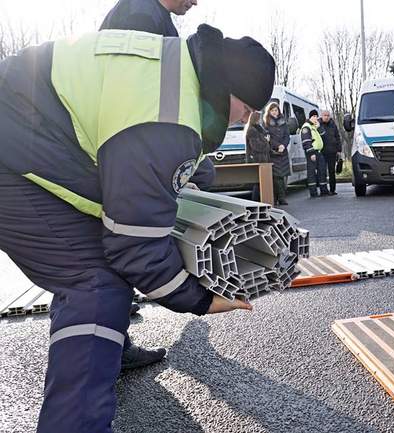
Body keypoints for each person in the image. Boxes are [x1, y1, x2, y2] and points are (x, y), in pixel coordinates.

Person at [0, 25, 275, 433]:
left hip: (24, 137)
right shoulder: (169, 116)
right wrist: (201, 300)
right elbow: (135, 248)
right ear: (232, 93)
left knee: (93, 272)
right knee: (95, 282)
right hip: (11, 154)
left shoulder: (173, 68)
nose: (245, 120)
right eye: (247, 110)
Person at [100, 0, 213, 370]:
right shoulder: (140, 17)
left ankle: (111, 344)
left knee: (109, 254)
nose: (196, 1)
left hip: (121, 151)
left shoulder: (150, 15)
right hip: (125, 153)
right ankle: (106, 351)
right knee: (117, 250)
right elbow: (143, 103)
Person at [264, 102, 290, 205]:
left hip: (283, 152)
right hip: (273, 153)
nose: (275, 112)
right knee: (276, 176)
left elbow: (287, 136)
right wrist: (277, 145)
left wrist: (283, 145)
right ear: (269, 112)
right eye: (272, 110)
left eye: (276, 110)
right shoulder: (266, 123)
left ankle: (280, 197)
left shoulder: (283, 123)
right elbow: (268, 138)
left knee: (283, 176)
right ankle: (280, 198)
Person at [301, 110, 329, 198]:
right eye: (314, 116)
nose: (316, 118)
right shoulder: (306, 127)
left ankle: (323, 190)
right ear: (310, 117)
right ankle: (313, 192)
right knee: (312, 173)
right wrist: (311, 153)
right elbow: (306, 141)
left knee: (322, 171)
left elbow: (324, 135)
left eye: (316, 116)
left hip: (319, 152)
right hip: (312, 152)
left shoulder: (315, 126)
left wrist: (319, 127)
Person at [245, 111, 271, 201]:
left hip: (261, 158)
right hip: (257, 159)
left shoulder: (258, 129)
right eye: (259, 118)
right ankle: (256, 201)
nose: (260, 120)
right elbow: (256, 146)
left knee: (261, 183)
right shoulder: (252, 130)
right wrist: (266, 141)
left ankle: (261, 200)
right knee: (257, 182)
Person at [319, 110, 343, 195]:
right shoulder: (318, 124)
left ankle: (332, 190)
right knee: (322, 171)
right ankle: (324, 190)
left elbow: (337, 136)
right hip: (322, 151)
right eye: (325, 115)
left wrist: (339, 149)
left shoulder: (333, 124)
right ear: (321, 116)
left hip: (332, 151)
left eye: (328, 115)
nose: (326, 117)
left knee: (332, 171)